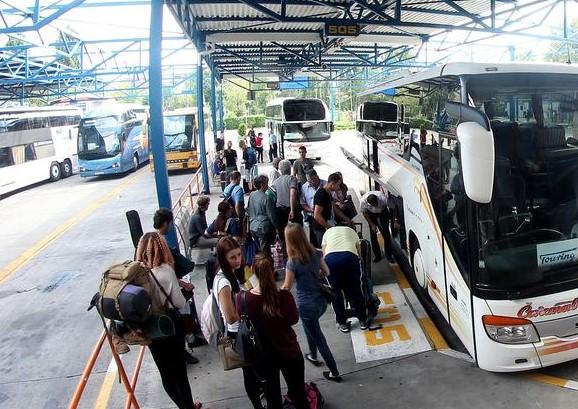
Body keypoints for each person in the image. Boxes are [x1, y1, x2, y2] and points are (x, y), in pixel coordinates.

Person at [135, 232, 202, 409]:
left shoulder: (137, 273)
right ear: (162, 248)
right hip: (170, 327)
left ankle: (182, 406)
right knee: (179, 372)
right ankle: (189, 406)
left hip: (150, 328)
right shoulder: (165, 271)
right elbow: (179, 302)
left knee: (165, 373)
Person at [239, 254, 308, 409]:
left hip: (264, 356)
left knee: (272, 399)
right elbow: (293, 319)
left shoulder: (243, 299)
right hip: (289, 351)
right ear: (273, 271)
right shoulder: (283, 296)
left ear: (252, 271)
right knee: (298, 394)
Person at [282, 224, 341, 383]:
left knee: (319, 338)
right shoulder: (315, 253)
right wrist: (315, 275)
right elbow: (326, 272)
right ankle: (313, 355)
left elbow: (287, 286)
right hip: (321, 302)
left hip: (306, 305)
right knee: (311, 328)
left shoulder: (292, 262)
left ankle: (334, 372)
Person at [214, 237, 264, 409]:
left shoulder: (241, 271)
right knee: (250, 372)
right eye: (232, 257)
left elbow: (256, 288)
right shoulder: (224, 283)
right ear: (223, 259)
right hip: (240, 333)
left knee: (255, 369)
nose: (237, 260)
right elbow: (230, 316)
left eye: (239, 255)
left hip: (248, 328)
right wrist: (251, 309)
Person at [322, 226, 368, 333]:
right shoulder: (352, 232)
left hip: (331, 261)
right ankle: (362, 320)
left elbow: (324, 255)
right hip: (349, 258)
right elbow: (359, 254)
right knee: (356, 289)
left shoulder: (327, 233)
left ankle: (342, 323)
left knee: (335, 293)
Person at [360, 191, 394, 263]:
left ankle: (389, 255)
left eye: (376, 203)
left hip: (383, 213)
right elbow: (364, 213)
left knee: (385, 232)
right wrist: (372, 224)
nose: (376, 205)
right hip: (371, 215)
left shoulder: (382, 198)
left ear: (377, 199)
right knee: (373, 235)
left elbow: (393, 207)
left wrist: (395, 219)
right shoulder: (363, 202)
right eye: (373, 205)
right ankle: (377, 255)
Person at [247, 174, 278, 254]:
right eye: (266, 183)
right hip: (263, 228)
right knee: (265, 252)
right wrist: (277, 228)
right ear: (262, 184)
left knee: (259, 250)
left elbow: (248, 209)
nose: (268, 185)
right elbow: (272, 216)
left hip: (253, 226)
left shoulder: (252, 195)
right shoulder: (266, 198)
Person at [272, 159, 300, 241]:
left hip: (280, 211)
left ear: (280, 169)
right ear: (289, 168)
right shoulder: (292, 179)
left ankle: (285, 251)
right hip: (291, 210)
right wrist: (292, 209)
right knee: (295, 233)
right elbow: (293, 193)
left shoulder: (276, 181)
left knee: (284, 234)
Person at [311, 172, 341, 246]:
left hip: (327, 224)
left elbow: (335, 209)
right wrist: (328, 227)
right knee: (324, 248)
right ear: (332, 184)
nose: (339, 187)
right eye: (338, 185)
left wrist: (347, 219)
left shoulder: (329, 193)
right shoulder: (321, 194)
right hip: (320, 228)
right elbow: (317, 215)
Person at [300, 169, 326, 247]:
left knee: (324, 239)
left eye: (313, 181)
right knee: (314, 239)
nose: (311, 183)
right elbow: (303, 203)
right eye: (309, 181)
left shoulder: (325, 184)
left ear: (317, 177)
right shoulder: (304, 187)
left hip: (324, 215)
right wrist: (311, 209)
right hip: (311, 216)